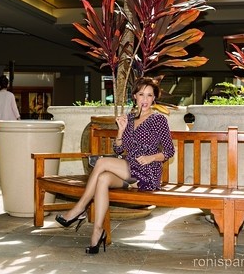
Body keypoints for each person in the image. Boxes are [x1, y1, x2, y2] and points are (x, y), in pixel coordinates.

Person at [55, 77, 175, 254]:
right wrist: (120, 130)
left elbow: (170, 151)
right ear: (135, 96)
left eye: (149, 95)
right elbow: (119, 150)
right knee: (102, 179)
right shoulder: (129, 119)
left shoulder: (159, 120)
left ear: (154, 99)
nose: (145, 99)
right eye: (141, 94)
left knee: (102, 162)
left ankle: (80, 208)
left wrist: (151, 158)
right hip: (128, 170)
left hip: (147, 171)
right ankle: (98, 232)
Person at [0, 75, 20, 140]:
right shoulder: (11, 95)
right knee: (8, 140)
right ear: (7, 85)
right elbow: (15, 108)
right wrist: (18, 118)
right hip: (9, 122)